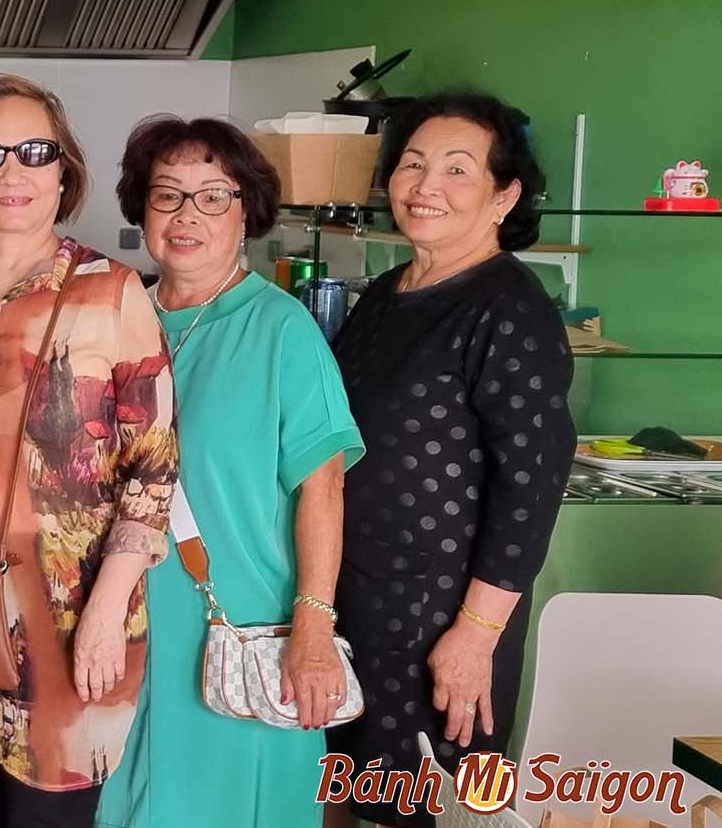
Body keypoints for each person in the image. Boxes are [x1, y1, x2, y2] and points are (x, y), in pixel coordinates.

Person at [0, 74, 178, 828]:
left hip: (69, 626)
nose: (12, 172)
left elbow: (153, 469)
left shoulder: (111, 292)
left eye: (35, 152)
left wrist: (107, 609)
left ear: (64, 171)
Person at [94, 116, 364, 828]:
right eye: (168, 195)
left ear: (247, 213)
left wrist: (313, 630)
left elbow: (324, 486)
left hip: (235, 632)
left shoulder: (280, 330)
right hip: (116, 627)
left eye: (214, 196)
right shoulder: (113, 321)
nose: (188, 215)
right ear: (142, 209)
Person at [324, 92, 576, 828]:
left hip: (443, 617)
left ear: (504, 196)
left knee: (439, 806)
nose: (425, 185)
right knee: (354, 798)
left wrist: (475, 635)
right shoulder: (386, 294)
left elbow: (531, 488)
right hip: (360, 600)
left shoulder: (510, 309)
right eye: (413, 163)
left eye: (457, 169)